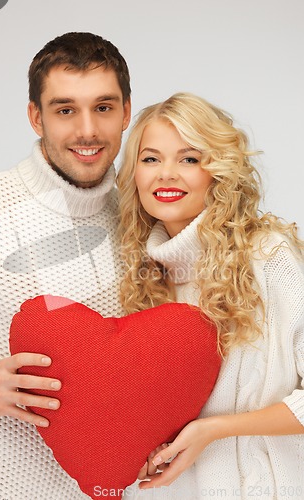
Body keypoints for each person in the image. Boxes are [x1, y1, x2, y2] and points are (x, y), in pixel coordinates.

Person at [0, 32, 131, 499]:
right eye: (65, 110)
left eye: (103, 107)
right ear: (35, 117)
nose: (87, 130)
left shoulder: (142, 219)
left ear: (125, 111)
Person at [117, 93, 304, 499]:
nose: (166, 174)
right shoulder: (139, 275)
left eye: (188, 158)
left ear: (218, 171)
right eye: (150, 159)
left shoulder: (268, 256)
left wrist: (215, 430)